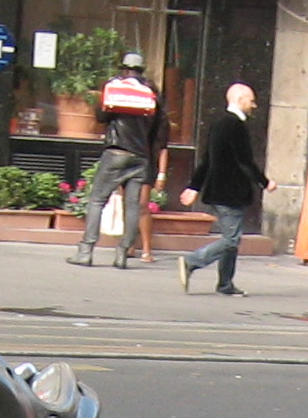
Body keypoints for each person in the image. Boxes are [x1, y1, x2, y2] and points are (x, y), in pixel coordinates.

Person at [66, 49, 164, 268]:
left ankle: (85, 251)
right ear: (141, 70)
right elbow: (158, 129)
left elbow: (101, 116)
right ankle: (122, 254)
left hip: (116, 152)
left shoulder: (115, 88)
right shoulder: (151, 93)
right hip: (141, 156)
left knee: (97, 200)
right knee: (133, 206)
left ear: (124, 69)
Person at [178, 83, 266, 297]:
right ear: (240, 100)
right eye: (251, 101)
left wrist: (194, 186)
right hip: (230, 192)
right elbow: (245, 161)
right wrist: (264, 182)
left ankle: (225, 284)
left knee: (231, 239)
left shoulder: (219, 123)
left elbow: (207, 159)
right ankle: (192, 261)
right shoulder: (235, 125)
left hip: (220, 190)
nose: (254, 105)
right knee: (231, 240)